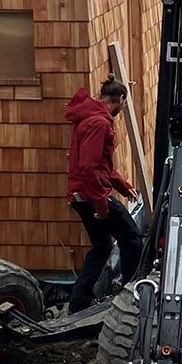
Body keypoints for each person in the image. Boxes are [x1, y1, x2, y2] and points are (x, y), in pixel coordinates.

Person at [64, 77, 143, 312]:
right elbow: (89, 167)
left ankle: (78, 304)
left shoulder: (88, 118)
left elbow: (101, 167)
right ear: (119, 99)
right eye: (123, 104)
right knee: (132, 238)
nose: (122, 108)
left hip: (79, 195)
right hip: (90, 196)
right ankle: (132, 296)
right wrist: (101, 205)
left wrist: (122, 186)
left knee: (102, 247)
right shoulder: (100, 124)